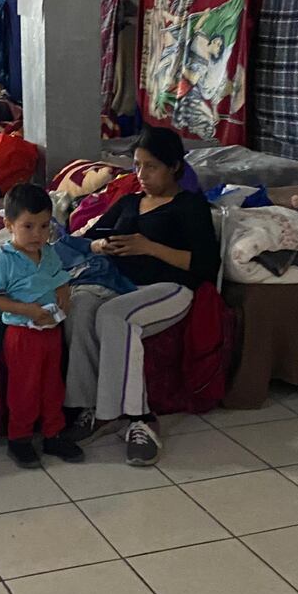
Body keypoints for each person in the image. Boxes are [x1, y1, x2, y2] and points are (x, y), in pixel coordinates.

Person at [62, 126, 220, 466]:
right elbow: (94, 236)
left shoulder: (189, 206)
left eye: (151, 167)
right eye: (137, 165)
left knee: (115, 316)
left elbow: (206, 264)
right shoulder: (130, 201)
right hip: (120, 282)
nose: (141, 175)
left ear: (174, 166)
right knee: (81, 305)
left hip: (168, 287)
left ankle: (140, 418)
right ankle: (90, 408)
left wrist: (149, 247)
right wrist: (102, 245)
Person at [0, 184, 84, 468]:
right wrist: (25, 309)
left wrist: (64, 292)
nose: (37, 234)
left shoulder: (49, 252)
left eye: (43, 226)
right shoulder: (4, 260)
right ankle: (20, 439)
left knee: (52, 384)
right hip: (22, 334)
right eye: (28, 226)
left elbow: (60, 278)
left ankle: (53, 434)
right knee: (24, 389)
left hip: (51, 332)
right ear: (9, 225)